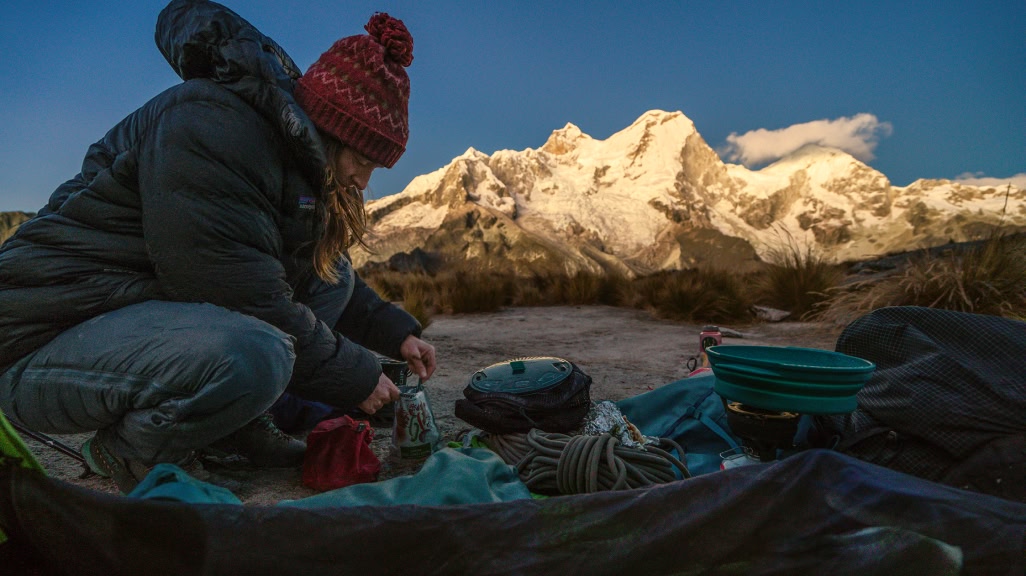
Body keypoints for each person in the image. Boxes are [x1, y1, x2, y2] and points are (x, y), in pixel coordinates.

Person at [0, 0, 435, 493]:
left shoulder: (286, 159)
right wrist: (356, 375)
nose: (361, 180)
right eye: (363, 160)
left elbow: (316, 272)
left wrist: (394, 333)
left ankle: (229, 432)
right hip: (37, 340)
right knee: (256, 352)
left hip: (122, 319)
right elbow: (240, 293)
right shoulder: (211, 127)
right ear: (333, 130)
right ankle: (131, 451)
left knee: (328, 277)